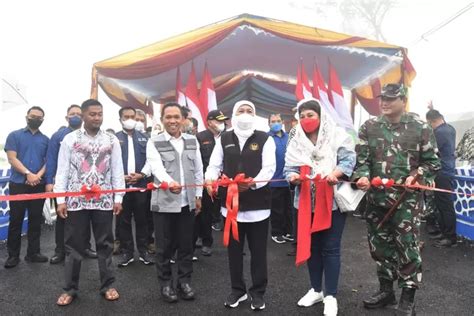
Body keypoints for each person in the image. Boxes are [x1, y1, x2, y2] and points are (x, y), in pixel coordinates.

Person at [352, 84, 440, 315]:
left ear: (403, 100)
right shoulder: (369, 127)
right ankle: (386, 290)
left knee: (407, 247)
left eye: (391, 99)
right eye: (383, 98)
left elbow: (432, 162)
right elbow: (361, 160)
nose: (384, 103)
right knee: (379, 248)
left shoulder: (420, 127)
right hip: (376, 200)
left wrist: (416, 175)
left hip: (406, 202)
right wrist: (361, 176)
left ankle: (408, 297)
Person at [284, 99, 356, 316]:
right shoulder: (295, 138)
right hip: (305, 202)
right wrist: (293, 177)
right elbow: (288, 167)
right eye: (302, 116)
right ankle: (316, 290)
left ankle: (331, 295)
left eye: (310, 115)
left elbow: (348, 160)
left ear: (320, 116)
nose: (306, 119)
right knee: (312, 248)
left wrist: (335, 173)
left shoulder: (336, 135)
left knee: (331, 248)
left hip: (331, 202)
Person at [205, 100, 276, 311]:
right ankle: (238, 290)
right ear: (234, 114)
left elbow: (269, 169)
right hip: (231, 207)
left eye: (249, 111)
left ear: (254, 115)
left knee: (258, 252)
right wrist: (210, 180)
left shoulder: (265, 138)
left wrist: (253, 183)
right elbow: (214, 164)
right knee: (234, 252)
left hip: (258, 207)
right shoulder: (224, 138)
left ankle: (258, 292)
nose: (245, 114)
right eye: (241, 111)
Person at [54, 99, 125, 306]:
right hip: (76, 201)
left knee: (105, 245)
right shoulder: (69, 139)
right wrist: (61, 200)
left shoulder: (111, 140)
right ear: (83, 116)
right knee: (74, 246)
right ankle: (70, 289)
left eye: (100, 114)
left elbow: (117, 170)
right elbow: (63, 170)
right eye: (93, 114)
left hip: (103, 201)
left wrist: (118, 197)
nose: (97, 117)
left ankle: (108, 285)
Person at [146, 103, 203, 303]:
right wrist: (169, 183)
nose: (172, 121)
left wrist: (198, 195)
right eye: (168, 117)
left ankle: (184, 282)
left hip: (187, 203)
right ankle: (166, 284)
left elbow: (198, 171)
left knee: (186, 246)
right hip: (164, 203)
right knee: (163, 247)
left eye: (176, 117)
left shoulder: (192, 140)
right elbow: (156, 168)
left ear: (183, 119)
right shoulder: (154, 141)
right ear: (162, 120)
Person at [46, 105, 97, 264]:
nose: (75, 116)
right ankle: (60, 251)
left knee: (86, 214)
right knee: (63, 217)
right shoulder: (58, 136)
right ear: (66, 117)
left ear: (83, 117)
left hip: (85, 185)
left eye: (78, 114)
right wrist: (49, 182)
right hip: (63, 185)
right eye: (72, 114)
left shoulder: (89, 135)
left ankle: (85, 247)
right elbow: (51, 159)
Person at [4, 106, 49, 268]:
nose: (35, 119)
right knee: (15, 220)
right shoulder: (14, 136)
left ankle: (33, 253)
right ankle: (13, 255)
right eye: (33, 116)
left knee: (36, 220)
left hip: (38, 184)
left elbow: (48, 161)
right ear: (27, 117)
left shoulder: (46, 140)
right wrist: (28, 174)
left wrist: (37, 176)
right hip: (18, 184)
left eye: (39, 117)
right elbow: (11, 158)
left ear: (42, 120)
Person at [115, 107, 154, 266]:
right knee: (123, 221)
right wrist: (120, 176)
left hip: (141, 186)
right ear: (120, 119)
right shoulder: (113, 139)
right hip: (121, 188)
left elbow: (151, 160)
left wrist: (142, 175)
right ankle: (127, 252)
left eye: (133, 117)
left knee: (142, 220)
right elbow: (110, 163)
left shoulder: (146, 138)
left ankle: (144, 251)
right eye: (127, 117)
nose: (130, 119)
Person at [194, 109, 229, 256]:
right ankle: (206, 241)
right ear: (209, 122)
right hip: (207, 182)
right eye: (218, 121)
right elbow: (197, 162)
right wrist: (203, 180)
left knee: (228, 211)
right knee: (205, 213)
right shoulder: (200, 137)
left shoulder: (229, 136)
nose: (222, 124)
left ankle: (233, 243)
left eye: (223, 121)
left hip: (227, 182)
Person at [426, 109, 457, 247]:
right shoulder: (450, 128)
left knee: (444, 205)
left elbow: (432, 151)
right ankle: (445, 233)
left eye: (430, 123)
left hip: (442, 171)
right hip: (448, 169)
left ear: (432, 121)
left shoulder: (439, 133)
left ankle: (449, 237)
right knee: (443, 204)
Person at [268, 113, 293, 244]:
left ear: (282, 122)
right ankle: (276, 232)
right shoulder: (266, 138)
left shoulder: (288, 137)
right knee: (276, 209)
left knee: (288, 209)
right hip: (274, 180)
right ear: (269, 123)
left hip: (288, 180)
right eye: (273, 121)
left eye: (278, 120)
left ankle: (288, 232)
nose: (276, 123)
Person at [134, 109, 156, 254]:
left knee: (146, 216)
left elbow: (152, 161)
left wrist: (141, 174)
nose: (139, 122)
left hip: (145, 182)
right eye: (137, 119)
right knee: (122, 218)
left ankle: (149, 242)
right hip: (124, 184)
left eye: (142, 120)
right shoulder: (117, 138)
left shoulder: (150, 139)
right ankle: (121, 244)